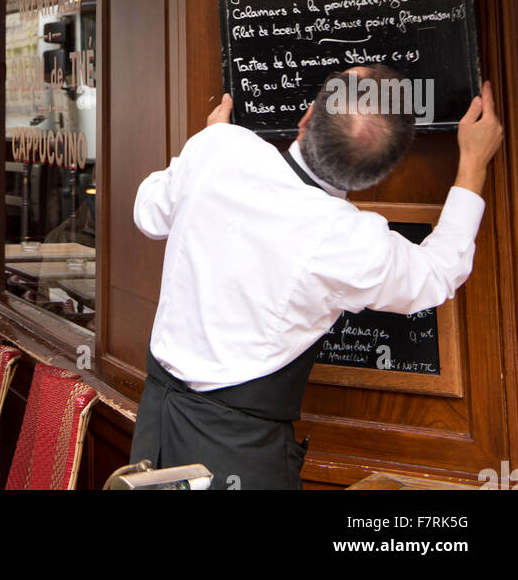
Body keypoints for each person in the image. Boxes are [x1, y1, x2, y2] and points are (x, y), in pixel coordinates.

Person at [130, 65, 502, 490]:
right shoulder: (353, 241)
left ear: (305, 118)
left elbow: (148, 214)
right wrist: (472, 163)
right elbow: (438, 273)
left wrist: (202, 149)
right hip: (238, 451)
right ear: (378, 176)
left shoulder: (220, 146)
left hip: (154, 426)